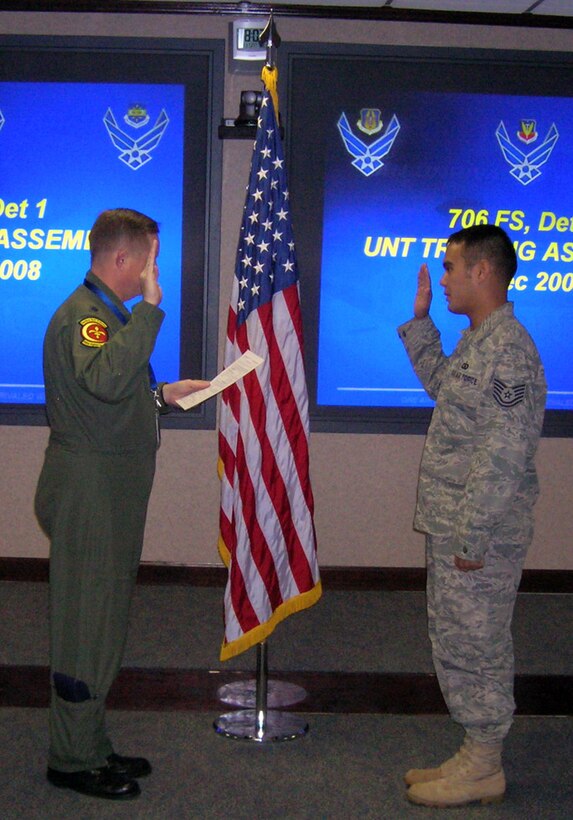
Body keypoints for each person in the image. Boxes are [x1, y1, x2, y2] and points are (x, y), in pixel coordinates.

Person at [35, 208, 209, 800]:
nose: (153, 272)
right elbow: (105, 379)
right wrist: (151, 311)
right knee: (86, 627)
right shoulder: (85, 319)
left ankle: (91, 742)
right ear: (122, 260)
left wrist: (161, 395)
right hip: (90, 495)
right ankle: (71, 757)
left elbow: (110, 394)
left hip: (107, 492)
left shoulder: (104, 317)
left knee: (102, 624)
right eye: (150, 260)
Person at [397, 224, 546, 808]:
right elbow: (446, 389)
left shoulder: (509, 349)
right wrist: (421, 324)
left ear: (483, 271)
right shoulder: (479, 341)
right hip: (455, 521)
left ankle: (485, 764)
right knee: (455, 639)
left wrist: (473, 533)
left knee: (479, 643)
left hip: (478, 530)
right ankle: (474, 752)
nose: (446, 278)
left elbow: (503, 453)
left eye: (453, 267)